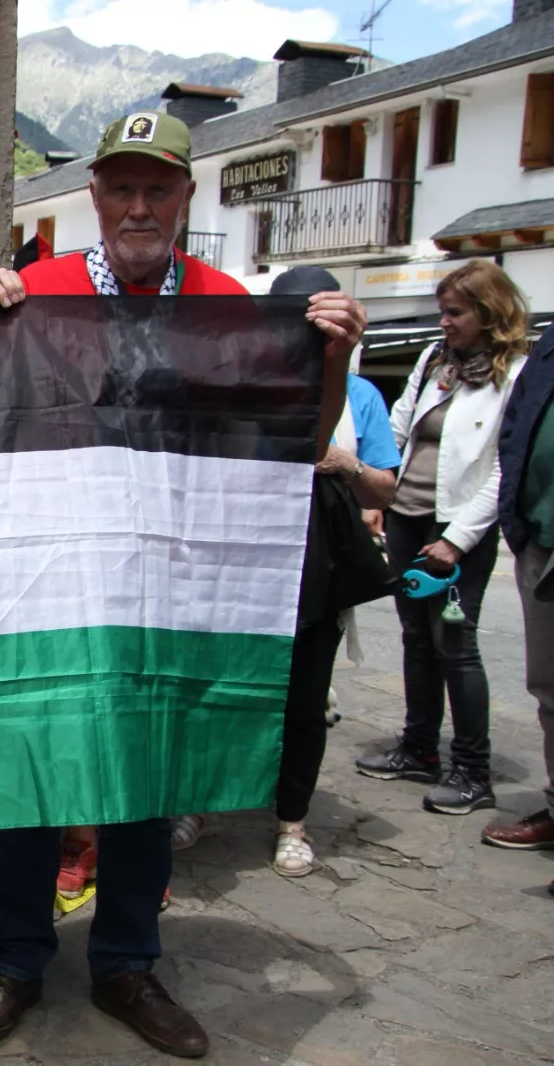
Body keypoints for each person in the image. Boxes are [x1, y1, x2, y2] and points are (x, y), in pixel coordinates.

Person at [0, 112, 365, 1058]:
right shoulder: (35, 292)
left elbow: (295, 450)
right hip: (46, 580)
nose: (139, 206)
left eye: (159, 189)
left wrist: (331, 356)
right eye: (121, 188)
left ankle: (126, 964)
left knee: (147, 778)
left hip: (163, 591)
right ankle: (15, 959)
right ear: (94, 195)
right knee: (28, 772)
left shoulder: (230, 306)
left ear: (186, 195)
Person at [356, 261, 529, 816]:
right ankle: (419, 749)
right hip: (408, 515)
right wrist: (377, 494)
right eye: (442, 311)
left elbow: (505, 469)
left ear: (488, 312)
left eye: (455, 312)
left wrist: (457, 539)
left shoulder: (515, 375)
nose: (445, 322)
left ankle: (474, 771)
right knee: (414, 638)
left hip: (457, 527)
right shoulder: (435, 361)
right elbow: (399, 427)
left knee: (455, 644)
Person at [265, 266, 401, 877]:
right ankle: (204, 805)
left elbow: (387, 487)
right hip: (248, 550)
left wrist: (343, 462)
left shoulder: (363, 396)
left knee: (304, 695)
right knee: (228, 689)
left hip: (320, 555)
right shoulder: (248, 380)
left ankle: (292, 821)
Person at [487, 309, 554, 889]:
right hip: (541, 540)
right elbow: (515, 437)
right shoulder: (551, 346)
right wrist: (519, 521)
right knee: (549, 688)